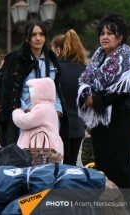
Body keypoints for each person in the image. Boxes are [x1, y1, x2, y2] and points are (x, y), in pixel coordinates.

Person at [77, 13, 130, 212]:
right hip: (101, 118)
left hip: (124, 116)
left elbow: (126, 90)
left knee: (120, 162)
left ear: (120, 37)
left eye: (110, 33)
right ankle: (108, 203)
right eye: (102, 33)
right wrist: (87, 96)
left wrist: (96, 100)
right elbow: (84, 80)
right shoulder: (98, 57)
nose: (105, 37)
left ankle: (127, 204)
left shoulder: (129, 58)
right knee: (102, 161)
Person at [0, 20, 69, 147]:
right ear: (27, 38)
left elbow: (55, 90)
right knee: (23, 156)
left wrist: (56, 111)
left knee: (47, 158)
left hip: (48, 120)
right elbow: (9, 90)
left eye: (41, 34)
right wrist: (25, 111)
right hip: (24, 117)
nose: (38, 38)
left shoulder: (51, 61)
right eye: (34, 35)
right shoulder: (15, 60)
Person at [51, 29, 87, 165]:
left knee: (54, 167)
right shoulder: (84, 69)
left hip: (57, 126)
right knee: (71, 165)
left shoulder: (54, 69)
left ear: (59, 50)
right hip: (77, 127)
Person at [13, 78, 63, 159]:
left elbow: (26, 121)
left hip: (38, 148)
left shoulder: (41, 108)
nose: (31, 95)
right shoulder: (51, 108)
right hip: (50, 147)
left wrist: (17, 113)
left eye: (32, 92)